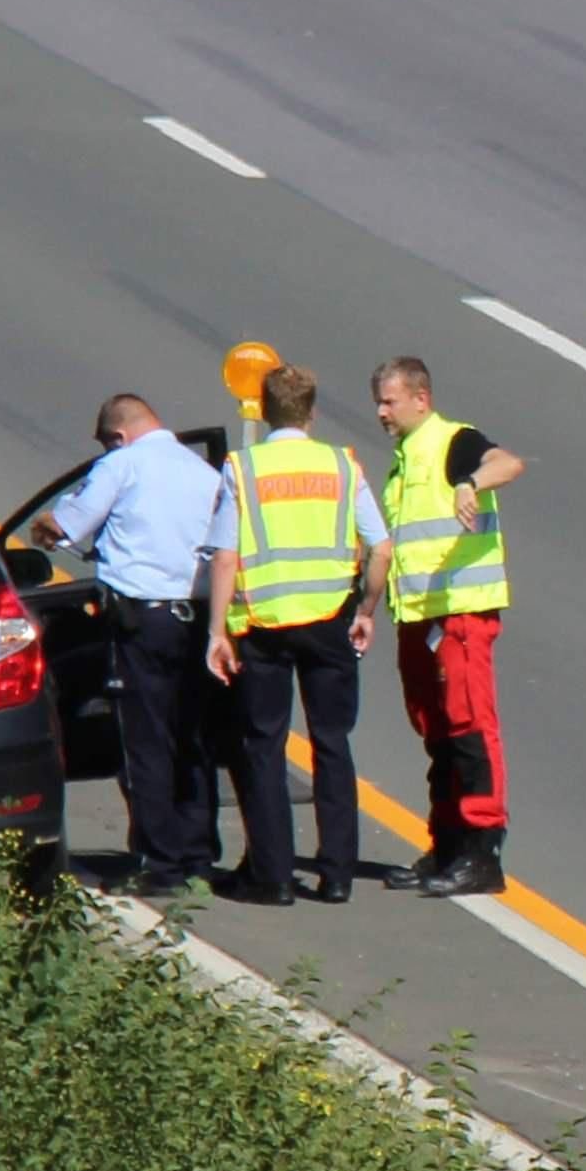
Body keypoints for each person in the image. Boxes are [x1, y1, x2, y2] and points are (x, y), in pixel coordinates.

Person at [205, 360, 385, 905]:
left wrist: (217, 630)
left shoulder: (243, 469)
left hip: (263, 623)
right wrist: (367, 610)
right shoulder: (342, 466)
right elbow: (380, 548)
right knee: (332, 744)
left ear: (262, 409)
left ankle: (274, 875)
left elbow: (225, 556)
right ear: (313, 411)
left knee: (263, 747)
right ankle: (336, 876)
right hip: (330, 618)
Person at [41, 394, 234, 897]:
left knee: (145, 741)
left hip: (143, 623)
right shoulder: (205, 473)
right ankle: (199, 854)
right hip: (197, 620)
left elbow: (65, 526)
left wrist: (45, 530)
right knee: (193, 736)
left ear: (118, 437)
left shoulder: (121, 465)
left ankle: (159, 863)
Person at [365, 354, 525, 894]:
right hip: (419, 613)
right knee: (435, 728)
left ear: (420, 398)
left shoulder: (453, 441)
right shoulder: (404, 461)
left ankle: (482, 852)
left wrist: (469, 484)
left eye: (389, 400)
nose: (380, 411)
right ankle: (448, 846)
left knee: (469, 724)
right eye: (378, 401)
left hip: (460, 609)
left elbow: (507, 463)